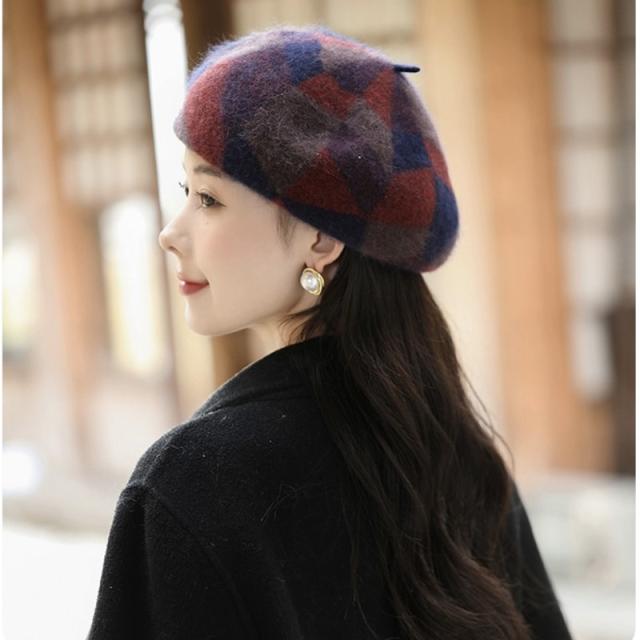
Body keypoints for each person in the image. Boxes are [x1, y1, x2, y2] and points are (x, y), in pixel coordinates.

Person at [86, 25, 574, 640]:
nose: (170, 233)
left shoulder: (193, 481)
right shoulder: (456, 455)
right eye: (186, 190)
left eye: (207, 198)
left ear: (321, 238)